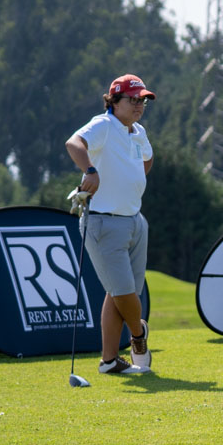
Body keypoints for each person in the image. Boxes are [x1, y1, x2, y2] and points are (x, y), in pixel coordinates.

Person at [65, 74, 157, 376]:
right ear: (114, 101)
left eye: (142, 101)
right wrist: (90, 169)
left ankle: (109, 361)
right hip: (103, 221)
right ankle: (138, 335)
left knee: (119, 293)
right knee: (123, 292)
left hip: (134, 220)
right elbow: (74, 143)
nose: (139, 105)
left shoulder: (138, 131)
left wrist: (131, 177)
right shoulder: (104, 125)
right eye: (133, 100)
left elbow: (146, 159)